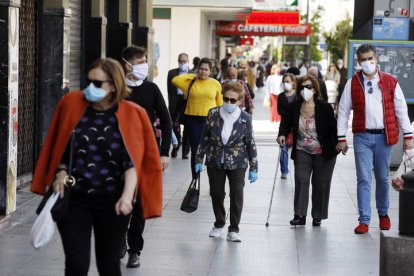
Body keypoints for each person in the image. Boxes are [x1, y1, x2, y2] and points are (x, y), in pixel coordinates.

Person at [30, 58, 163, 276]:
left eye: (98, 83)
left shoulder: (133, 114)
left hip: (113, 201)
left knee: (109, 265)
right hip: (74, 198)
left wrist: (127, 197)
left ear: (114, 84)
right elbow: (60, 144)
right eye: (88, 81)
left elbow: (133, 161)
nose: (91, 88)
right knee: (76, 264)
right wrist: (61, 172)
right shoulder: (71, 103)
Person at [336, 44, 414, 234]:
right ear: (358, 62)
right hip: (362, 137)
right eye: (363, 60)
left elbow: (401, 110)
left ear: (376, 59)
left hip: (383, 137)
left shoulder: (390, 81)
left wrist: (408, 136)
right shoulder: (352, 83)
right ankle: (364, 219)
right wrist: (341, 137)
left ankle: (383, 214)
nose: (367, 62)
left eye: (370, 58)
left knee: (381, 178)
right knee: (363, 178)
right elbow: (344, 111)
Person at [120, 45, 171, 268]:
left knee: (139, 203)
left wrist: (164, 153)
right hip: (118, 154)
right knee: (119, 198)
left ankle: (135, 249)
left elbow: (167, 121)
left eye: (144, 62)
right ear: (127, 64)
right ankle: (119, 237)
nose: (144, 66)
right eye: (140, 62)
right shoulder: (116, 89)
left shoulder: (151, 89)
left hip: (145, 154)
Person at [194, 82, 258, 242]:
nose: (229, 102)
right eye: (226, 99)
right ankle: (219, 223)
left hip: (238, 162)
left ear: (240, 101)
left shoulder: (245, 118)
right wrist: (198, 158)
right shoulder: (213, 113)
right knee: (216, 193)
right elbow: (204, 137)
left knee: (236, 194)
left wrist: (254, 167)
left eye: (233, 100)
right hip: (215, 159)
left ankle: (234, 228)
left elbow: (250, 142)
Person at [277, 74, 338, 227]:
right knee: (301, 179)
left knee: (320, 183)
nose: (306, 90)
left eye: (309, 87)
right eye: (303, 87)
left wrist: (339, 144)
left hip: (323, 152)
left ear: (315, 89)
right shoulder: (294, 107)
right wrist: (282, 135)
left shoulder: (324, 107)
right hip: (302, 149)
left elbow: (333, 129)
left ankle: (317, 215)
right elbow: (284, 123)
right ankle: (299, 214)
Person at [172, 58, 223, 179]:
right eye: (201, 69)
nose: (203, 71)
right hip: (192, 120)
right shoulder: (190, 82)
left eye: (206, 69)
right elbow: (175, 80)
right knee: (196, 151)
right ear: (197, 69)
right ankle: (195, 178)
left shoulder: (215, 83)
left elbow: (219, 104)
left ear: (210, 71)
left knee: (212, 151)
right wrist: (192, 75)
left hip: (210, 120)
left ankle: (214, 180)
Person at [167, 53, 191, 159]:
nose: (182, 63)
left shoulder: (192, 74)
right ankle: (175, 148)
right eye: (181, 61)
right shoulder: (172, 73)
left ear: (188, 61)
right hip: (175, 102)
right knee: (174, 126)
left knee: (188, 128)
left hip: (188, 103)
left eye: (184, 61)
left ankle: (185, 152)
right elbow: (169, 90)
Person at [277, 73, 297, 179]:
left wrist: (289, 113)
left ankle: (298, 169)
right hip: (284, 125)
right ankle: (284, 170)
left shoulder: (298, 95)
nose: (285, 84)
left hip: (297, 126)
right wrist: (290, 113)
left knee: (297, 148)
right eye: (284, 82)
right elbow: (280, 111)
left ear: (293, 82)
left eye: (287, 81)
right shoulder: (281, 96)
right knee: (283, 147)